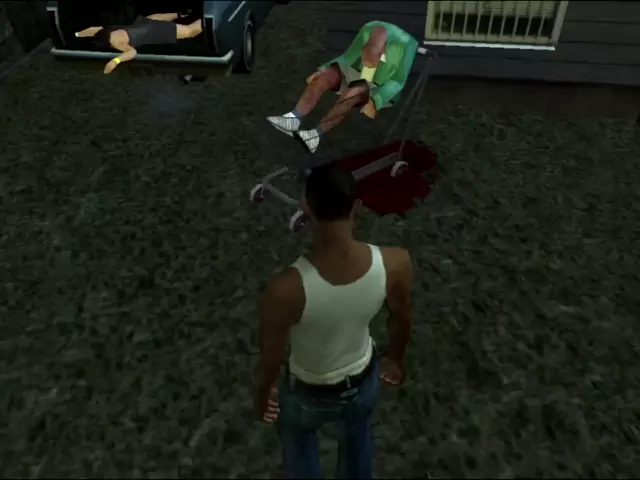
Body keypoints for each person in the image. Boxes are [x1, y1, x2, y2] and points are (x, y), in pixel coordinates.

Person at [255, 164, 413, 479]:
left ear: (305, 208)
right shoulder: (396, 263)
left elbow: (272, 356)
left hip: (307, 393)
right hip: (363, 382)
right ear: (357, 208)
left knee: (300, 448)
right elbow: (401, 319)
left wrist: (263, 395)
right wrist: (396, 359)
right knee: (357, 440)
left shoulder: (287, 288)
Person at [265, 21, 417, 154]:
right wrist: (325, 69)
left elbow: (397, 81)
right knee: (323, 78)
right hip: (355, 70)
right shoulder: (369, 29)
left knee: (353, 93)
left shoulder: (406, 44)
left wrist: (377, 100)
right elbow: (348, 56)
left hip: (380, 83)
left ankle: (314, 135)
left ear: (383, 51)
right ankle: (293, 118)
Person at [74, 13, 203, 74]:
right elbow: (90, 30)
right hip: (144, 22)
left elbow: (132, 52)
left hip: (152, 32)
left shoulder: (116, 43)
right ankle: (182, 13)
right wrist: (77, 34)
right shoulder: (104, 30)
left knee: (189, 31)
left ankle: (207, 18)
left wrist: (115, 61)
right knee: (158, 18)